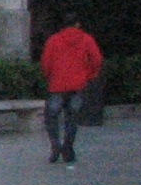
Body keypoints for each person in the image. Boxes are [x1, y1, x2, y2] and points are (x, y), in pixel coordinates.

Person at [39, 13, 104, 167]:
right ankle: (68, 148)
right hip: (78, 84)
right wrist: (89, 75)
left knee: (51, 116)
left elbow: (46, 62)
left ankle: (55, 145)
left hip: (57, 84)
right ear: (77, 24)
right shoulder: (86, 39)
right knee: (72, 117)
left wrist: (50, 76)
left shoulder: (54, 40)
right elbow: (97, 59)